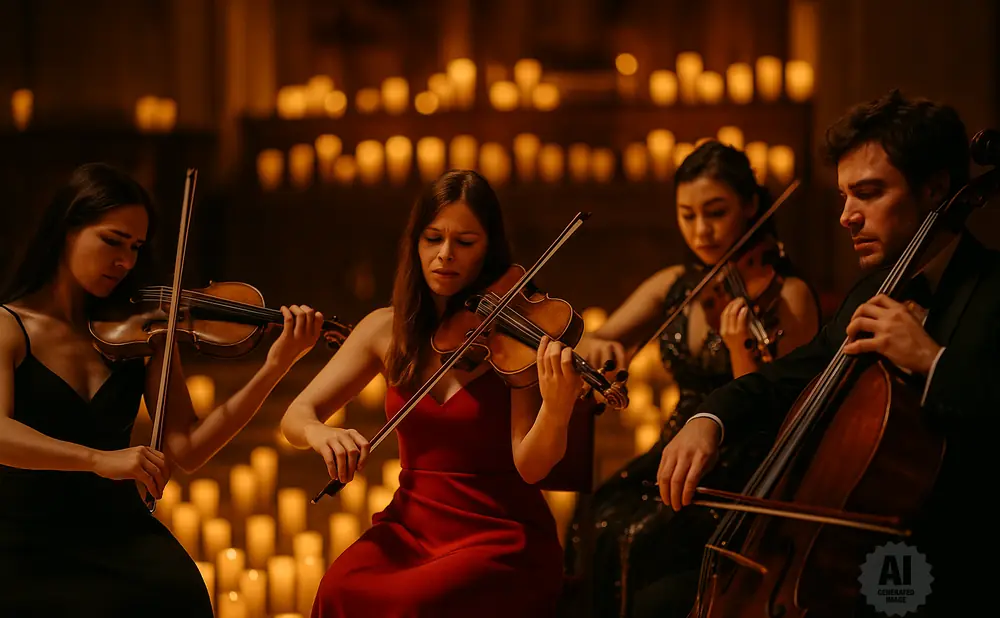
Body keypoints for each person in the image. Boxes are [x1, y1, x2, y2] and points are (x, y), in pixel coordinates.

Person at [660, 90, 998, 616]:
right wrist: (711, 417)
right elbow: (789, 377)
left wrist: (933, 361)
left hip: (957, 568)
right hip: (855, 564)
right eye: (844, 196)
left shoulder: (996, 290)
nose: (847, 216)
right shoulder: (870, 293)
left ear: (934, 189)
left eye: (867, 193)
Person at [0, 163, 323, 617]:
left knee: (179, 594)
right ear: (66, 230)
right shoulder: (8, 327)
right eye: (112, 241)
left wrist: (274, 366)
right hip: (25, 537)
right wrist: (98, 460)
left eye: (136, 247)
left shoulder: (147, 333)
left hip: (119, 532)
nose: (126, 262)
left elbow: (187, 448)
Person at [281, 169, 584, 618]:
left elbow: (531, 465)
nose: (445, 255)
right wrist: (318, 432)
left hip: (500, 536)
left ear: (489, 249)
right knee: (338, 587)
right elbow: (295, 416)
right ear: (415, 243)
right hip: (410, 527)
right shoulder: (385, 329)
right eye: (433, 238)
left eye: (465, 242)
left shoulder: (519, 337)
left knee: (412, 605)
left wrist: (557, 411)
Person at [565, 141, 821, 617]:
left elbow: (777, 414)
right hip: (673, 448)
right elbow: (595, 337)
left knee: (639, 541)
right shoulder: (676, 284)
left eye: (715, 213)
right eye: (687, 215)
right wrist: (598, 346)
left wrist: (743, 350)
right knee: (596, 520)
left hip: (744, 467)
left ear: (750, 206)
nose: (700, 230)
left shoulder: (790, 296)